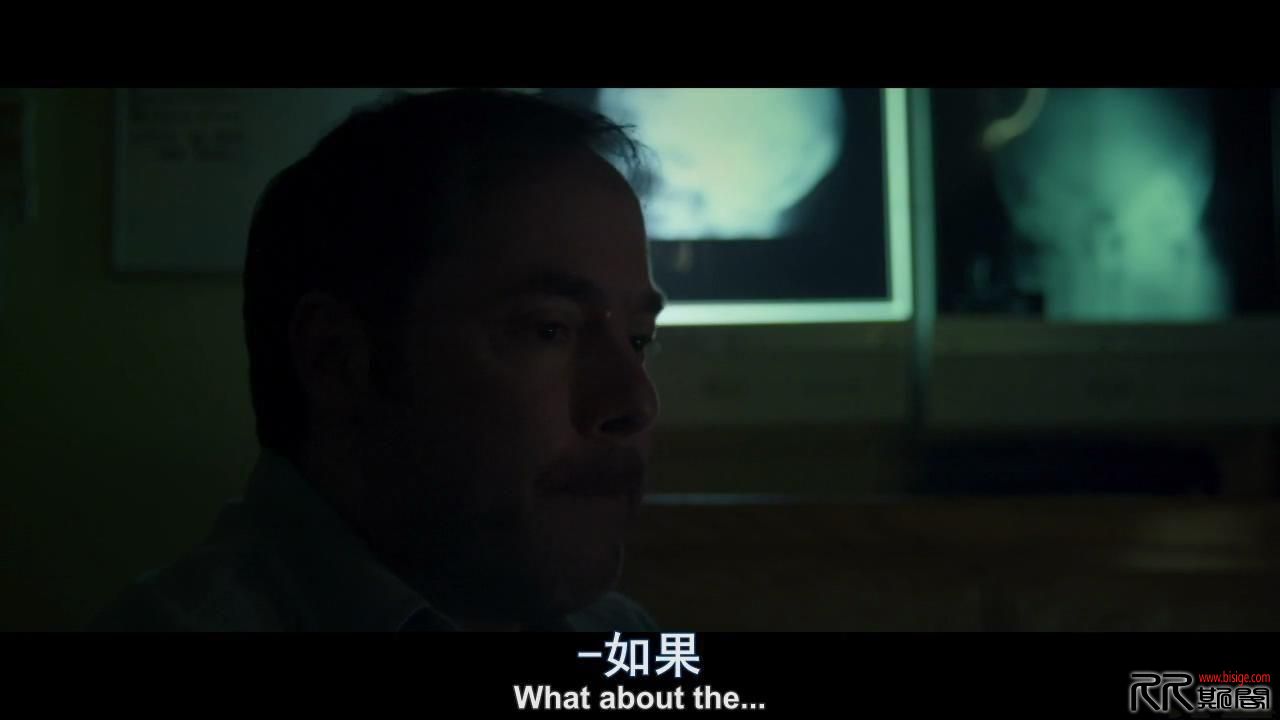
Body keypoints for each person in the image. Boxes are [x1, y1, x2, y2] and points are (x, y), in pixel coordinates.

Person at [91, 88, 664, 632]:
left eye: (638, 339)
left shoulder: (616, 634)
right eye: (548, 330)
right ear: (336, 358)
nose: (635, 403)